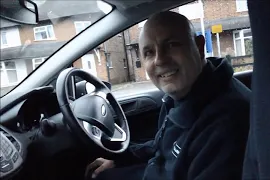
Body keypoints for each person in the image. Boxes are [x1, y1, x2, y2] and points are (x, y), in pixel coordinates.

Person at [85, 11, 251, 180]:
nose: (160, 60)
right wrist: (121, 159)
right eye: (149, 52)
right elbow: (161, 146)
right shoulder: (185, 93)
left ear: (199, 47)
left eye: (171, 45)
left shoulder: (227, 122)